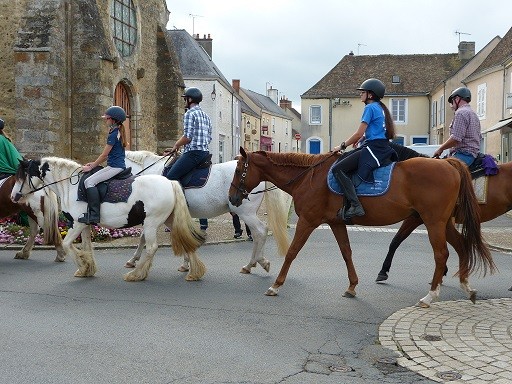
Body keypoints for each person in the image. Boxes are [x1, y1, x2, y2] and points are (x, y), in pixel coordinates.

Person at [332, 78, 397, 220]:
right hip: (381, 146)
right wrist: (363, 139)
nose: (360, 94)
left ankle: (356, 206)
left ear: (371, 95)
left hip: (374, 148)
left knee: (338, 169)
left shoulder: (369, 108)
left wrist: (341, 146)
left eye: (363, 92)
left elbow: (358, 133)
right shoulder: (380, 107)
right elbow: (376, 130)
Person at [78, 106, 128, 224]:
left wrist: (91, 166)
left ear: (113, 120)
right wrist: (93, 163)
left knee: (88, 182)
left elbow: (104, 155)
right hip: (116, 165)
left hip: (115, 167)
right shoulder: (118, 131)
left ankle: (94, 215)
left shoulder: (113, 134)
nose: (105, 121)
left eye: (107, 118)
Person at [165, 87, 212, 181]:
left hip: (193, 154)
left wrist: (176, 144)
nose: (184, 101)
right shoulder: (206, 116)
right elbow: (209, 138)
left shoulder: (189, 114)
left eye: (185, 99)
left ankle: (179, 195)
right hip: (205, 153)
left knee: (170, 177)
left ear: (190, 99)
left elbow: (188, 137)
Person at [432, 87, 481, 166]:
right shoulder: (472, 113)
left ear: (457, 99)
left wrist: (440, 149)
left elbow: (456, 139)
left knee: (442, 174)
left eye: (452, 101)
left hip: (464, 154)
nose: (452, 105)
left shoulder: (460, 113)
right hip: (472, 154)